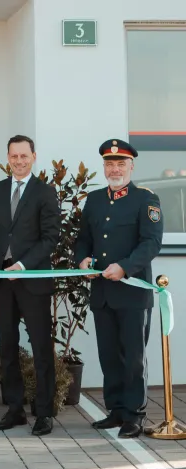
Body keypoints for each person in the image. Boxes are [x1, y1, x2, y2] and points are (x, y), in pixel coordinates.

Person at [0, 135, 60, 436]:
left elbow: (50, 238)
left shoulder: (45, 192)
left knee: (41, 348)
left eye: (24, 155)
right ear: (7, 157)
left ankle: (44, 413)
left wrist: (23, 265)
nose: (19, 161)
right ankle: (15, 410)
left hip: (31, 279)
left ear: (34, 156)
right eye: (14, 156)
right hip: (2, 281)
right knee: (8, 346)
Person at [75, 139, 163, 438]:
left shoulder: (146, 199)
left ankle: (134, 414)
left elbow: (151, 243)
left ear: (131, 166)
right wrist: (82, 259)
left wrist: (124, 266)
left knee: (133, 357)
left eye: (120, 164)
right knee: (109, 355)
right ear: (104, 166)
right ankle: (114, 410)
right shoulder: (96, 199)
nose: (115, 169)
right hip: (102, 292)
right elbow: (83, 238)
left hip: (132, 293)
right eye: (110, 164)